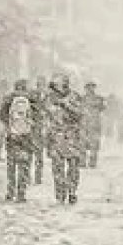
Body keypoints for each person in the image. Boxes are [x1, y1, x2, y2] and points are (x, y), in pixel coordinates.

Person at [46, 75, 85, 204]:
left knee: (73, 167)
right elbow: (46, 118)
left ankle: (72, 191)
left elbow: (80, 114)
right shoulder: (50, 98)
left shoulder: (75, 96)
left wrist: (65, 105)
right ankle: (60, 193)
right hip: (56, 137)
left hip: (72, 137)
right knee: (57, 168)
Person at [0, 80, 36, 202]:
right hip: (26, 137)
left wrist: (9, 126)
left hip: (12, 137)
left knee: (11, 166)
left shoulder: (9, 98)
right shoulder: (31, 98)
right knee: (24, 165)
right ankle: (21, 193)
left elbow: (1, 115)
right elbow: (37, 116)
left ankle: (10, 192)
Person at [81, 82, 106, 168]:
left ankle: (92, 162)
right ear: (86, 89)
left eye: (92, 87)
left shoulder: (99, 99)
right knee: (82, 144)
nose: (90, 89)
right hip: (83, 125)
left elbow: (103, 108)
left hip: (94, 125)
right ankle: (82, 161)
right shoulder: (82, 99)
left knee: (94, 145)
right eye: (88, 88)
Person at [30, 77, 48, 184]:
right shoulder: (36, 96)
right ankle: (36, 176)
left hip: (37, 128)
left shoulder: (32, 95)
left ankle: (37, 176)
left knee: (36, 155)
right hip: (35, 128)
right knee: (36, 155)